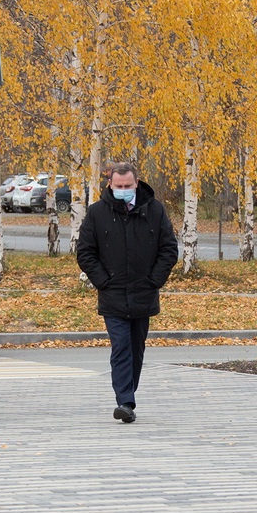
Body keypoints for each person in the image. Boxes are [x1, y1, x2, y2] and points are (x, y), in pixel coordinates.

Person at [76, 161, 178, 424]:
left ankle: (128, 394)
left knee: (136, 347)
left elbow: (169, 249)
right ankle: (125, 401)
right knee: (121, 346)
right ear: (110, 184)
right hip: (113, 294)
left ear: (136, 183)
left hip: (144, 292)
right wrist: (103, 281)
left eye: (128, 186)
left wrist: (154, 280)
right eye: (118, 186)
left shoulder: (154, 210)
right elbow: (86, 252)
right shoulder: (97, 213)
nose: (123, 190)